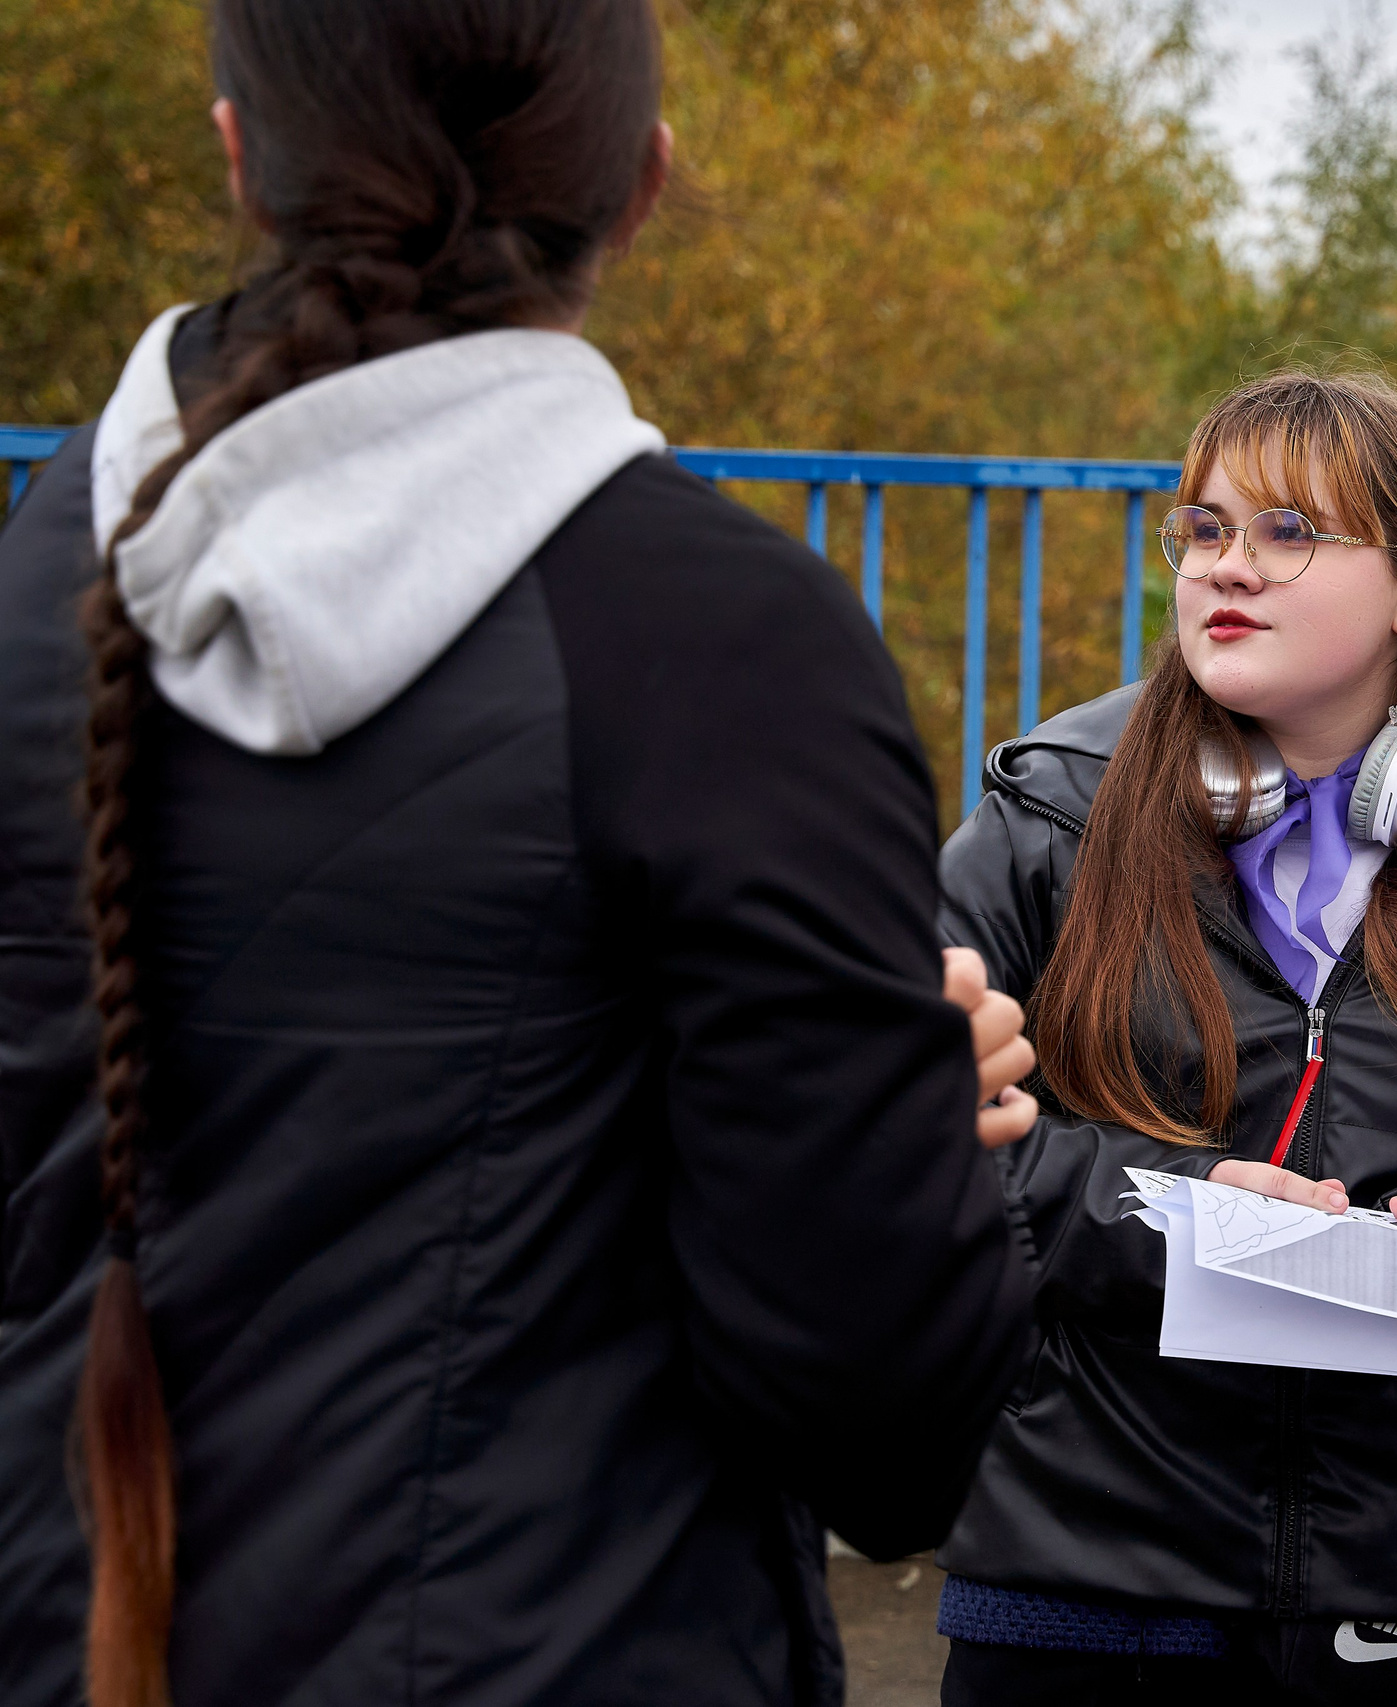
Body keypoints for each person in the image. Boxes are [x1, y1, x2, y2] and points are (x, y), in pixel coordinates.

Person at [0, 3, 1038, 1704]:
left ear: (241, 154)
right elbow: (887, 1422)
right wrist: (917, 1117)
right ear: (644, 185)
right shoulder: (732, 650)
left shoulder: (44, 580)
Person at [931, 370, 1397, 1705]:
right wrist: (1160, 1215)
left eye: (1292, 531)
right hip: (1082, 1573)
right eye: (1208, 529)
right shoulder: (1053, 820)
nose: (1231, 567)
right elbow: (907, 1123)